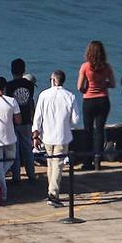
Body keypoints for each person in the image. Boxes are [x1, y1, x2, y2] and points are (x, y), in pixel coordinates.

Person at [32, 69, 78, 206]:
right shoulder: (70, 96)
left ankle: (51, 192)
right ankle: (53, 194)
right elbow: (75, 120)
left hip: (47, 135)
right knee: (58, 165)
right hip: (62, 135)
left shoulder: (43, 95)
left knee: (51, 164)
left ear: (53, 80)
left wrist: (36, 133)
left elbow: (38, 116)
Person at [77, 41, 114, 171]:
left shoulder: (85, 67)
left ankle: (87, 161)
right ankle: (98, 159)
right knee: (99, 130)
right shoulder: (107, 67)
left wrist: (87, 89)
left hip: (89, 101)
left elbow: (79, 87)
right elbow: (113, 83)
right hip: (103, 99)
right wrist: (103, 84)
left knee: (88, 130)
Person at [7, 59, 37, 185]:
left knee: (15, 150)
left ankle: (17, 176)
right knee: (27, 149)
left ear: (11, 71)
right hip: (26, 120)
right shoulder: (29, 85)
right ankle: (31, 174)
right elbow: (29, 101)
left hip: (13, 121)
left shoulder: (9, 86)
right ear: (24, 70)